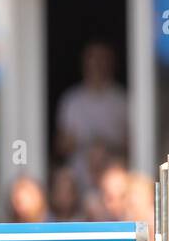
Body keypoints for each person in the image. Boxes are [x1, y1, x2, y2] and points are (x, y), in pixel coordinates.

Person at [55, 41, 128, 192]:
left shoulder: (121, 100)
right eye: (92, 60)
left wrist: (106, 147)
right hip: (79, 182)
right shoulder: (72, 100)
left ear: (111, 64)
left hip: (114, 187)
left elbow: (132, 143)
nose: (97, 65)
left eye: (102, 60)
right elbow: (61, 146)